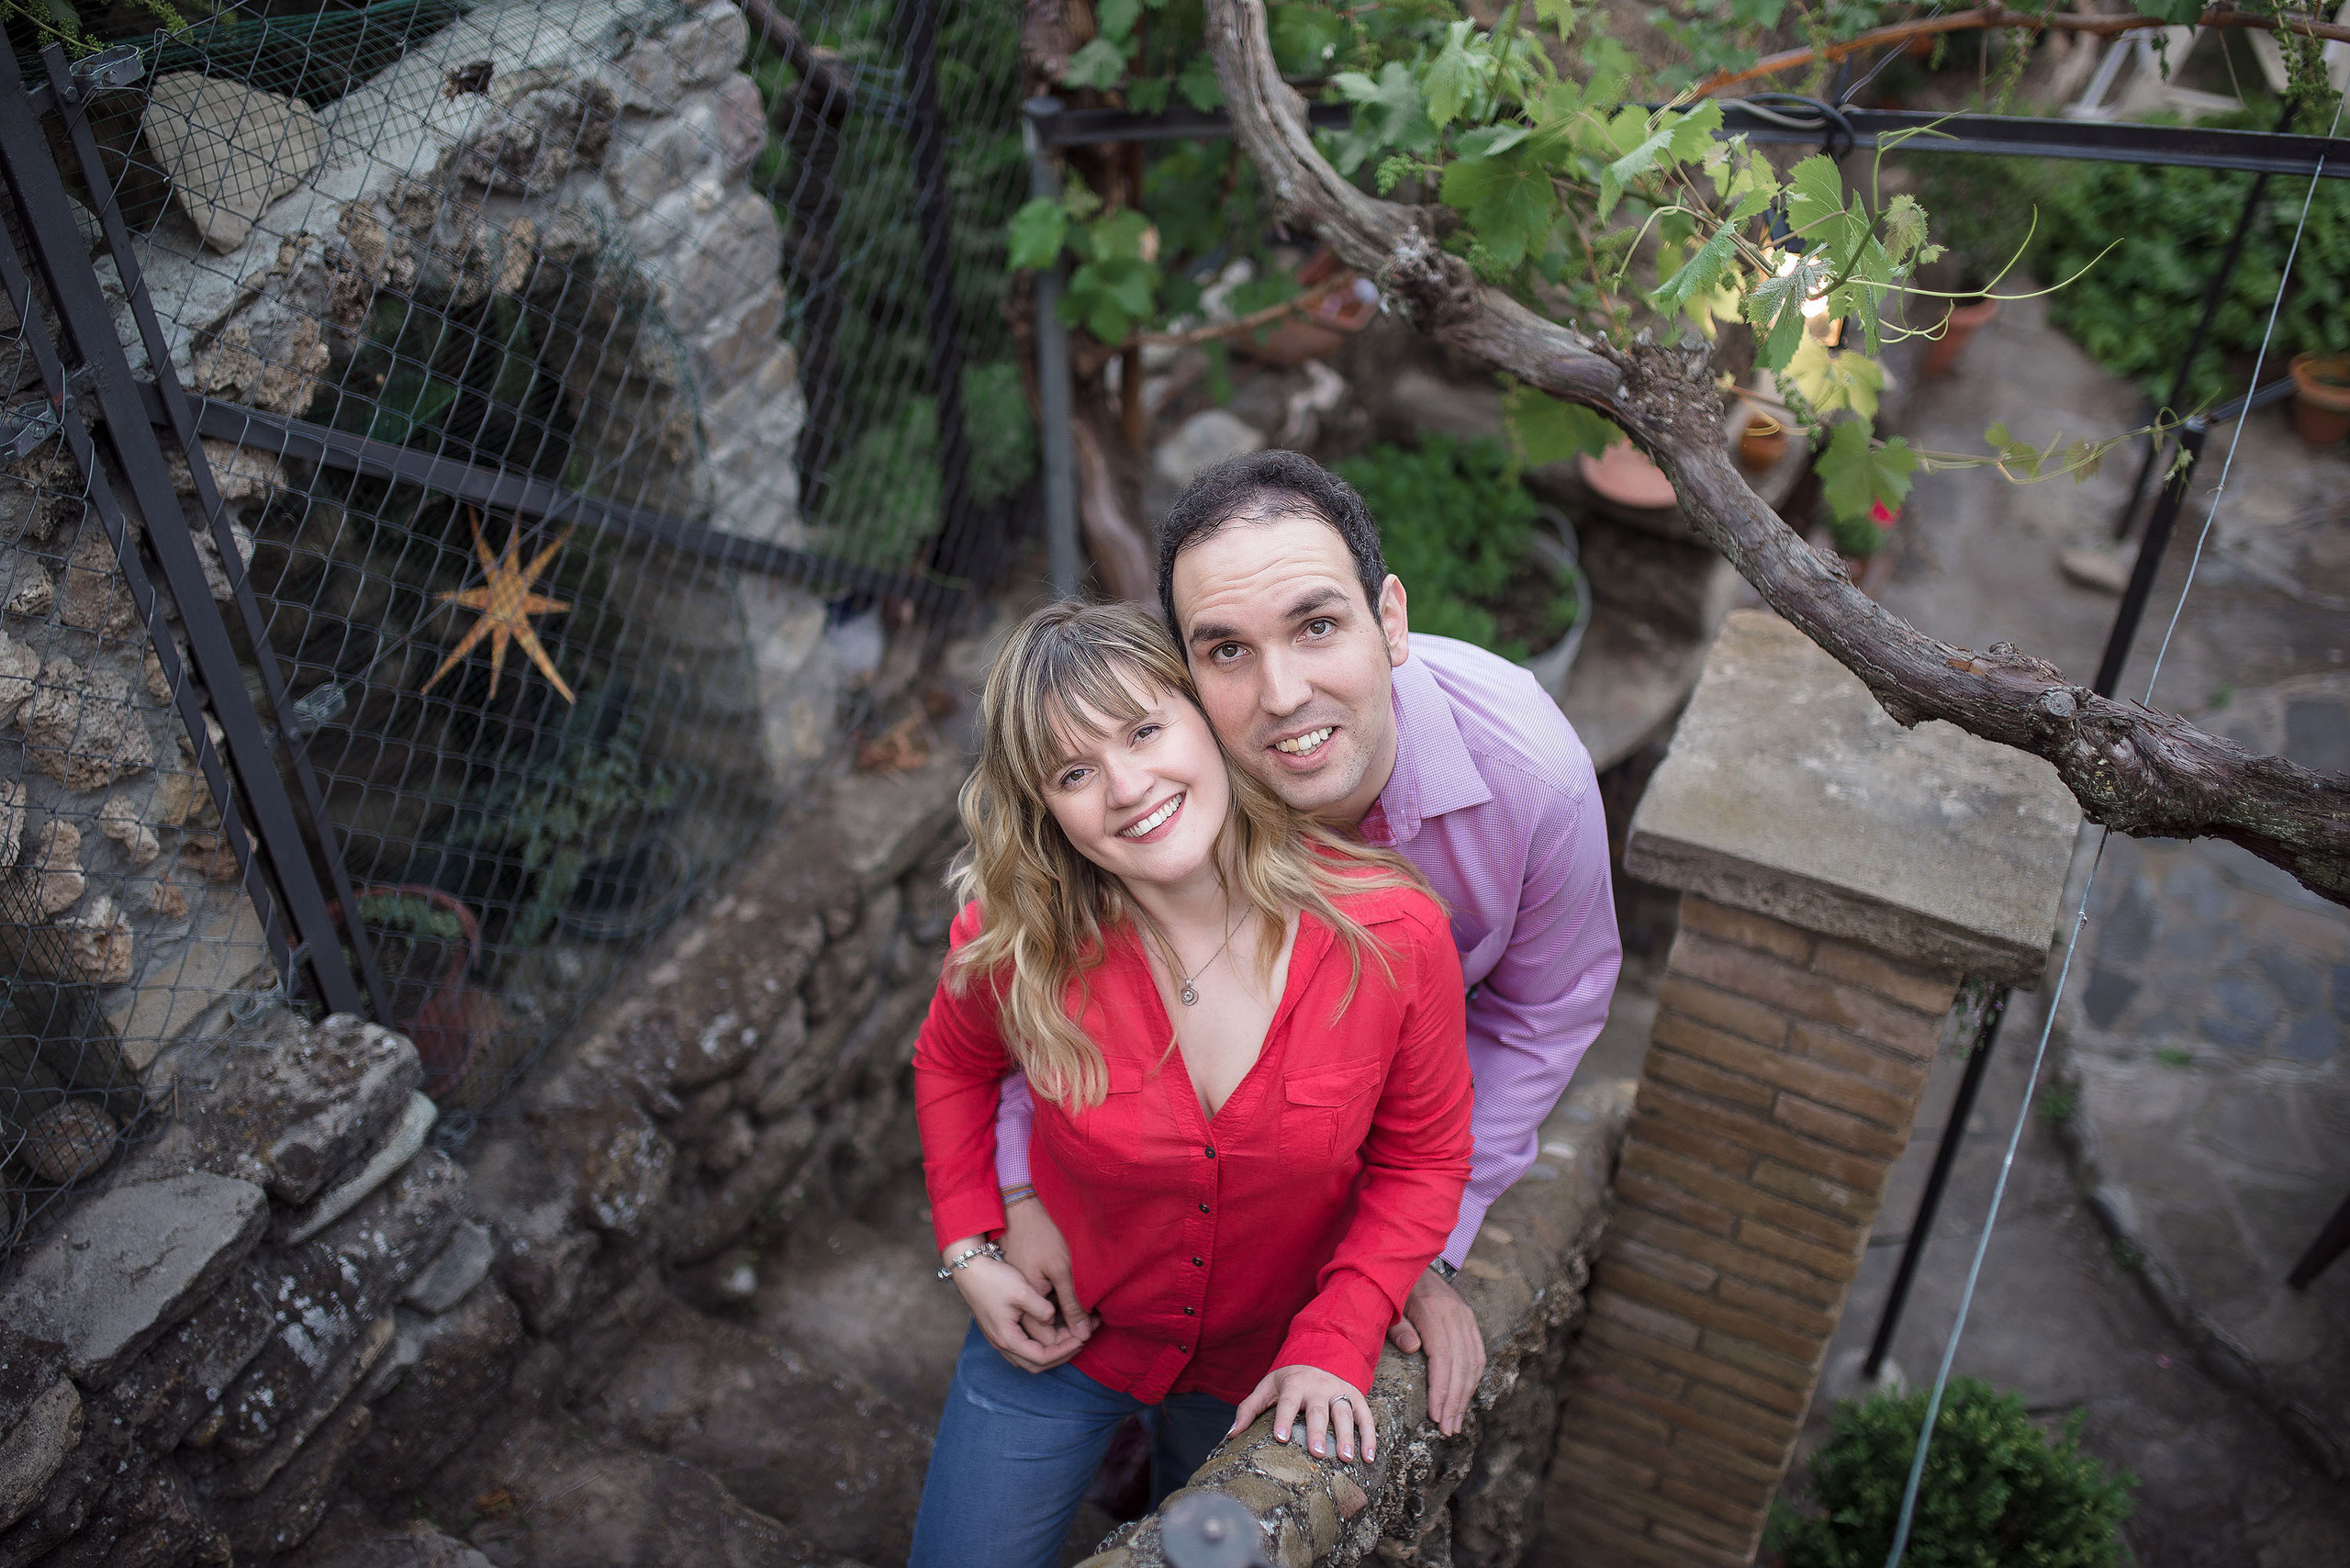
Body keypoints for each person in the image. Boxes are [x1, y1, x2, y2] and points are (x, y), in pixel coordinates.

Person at [992, 450, 1621, 1437]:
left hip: (1381, 1147)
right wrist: (1009, 1191)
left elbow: (1542, 1015)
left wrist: (1416, 1250)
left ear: (1393, 620)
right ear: (1188, 671)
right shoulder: (1161, 775)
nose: (1281, 693)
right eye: (1229, 650)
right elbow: (1037, 960)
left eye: (1317, 625)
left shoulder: (1533, 783)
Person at [908, 601, 1473, 1568]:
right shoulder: (1018, 942)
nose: (1127, 787)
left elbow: (1425, 1154)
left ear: (1207, 719)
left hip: (1260, 1357)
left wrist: (1338, 1333)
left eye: (1143, 730)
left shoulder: (1389, 936)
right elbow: (952, 1061)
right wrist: (974, 1238)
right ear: (1042, 806)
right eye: (1074, 773)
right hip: (1066, 1336)